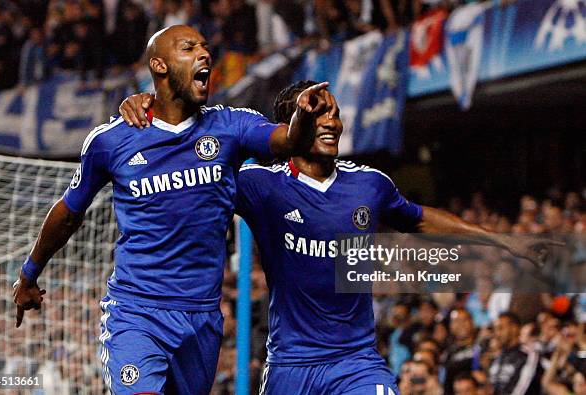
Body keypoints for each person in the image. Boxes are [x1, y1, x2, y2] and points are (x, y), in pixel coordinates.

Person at [120, 80, 560, 394]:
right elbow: (187, 168)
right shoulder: (259, 185)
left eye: (334, 111)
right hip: (291, 366)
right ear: (292, 126)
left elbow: (420, 219)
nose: (331, 120)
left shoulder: (369, 184)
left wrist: (505, 241)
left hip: (356, 362)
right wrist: (152, 108)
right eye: (317, 111)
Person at [12, 26, 334, 395]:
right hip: (136, 311)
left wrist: (304, 118)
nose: (204, 54)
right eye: (189, 48)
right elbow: (69, 212)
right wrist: (28, 274)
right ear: (159, 65)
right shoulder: (112, 141)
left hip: (202, 318)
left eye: (205, 47)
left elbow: (286, 140)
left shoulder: (231, 126)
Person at [488, 312, 542, 395]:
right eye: (495, 329)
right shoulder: (497, 358)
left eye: (501, 328)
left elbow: (522, 388)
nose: (497, 334)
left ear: (514, 329)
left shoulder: (528, 355)